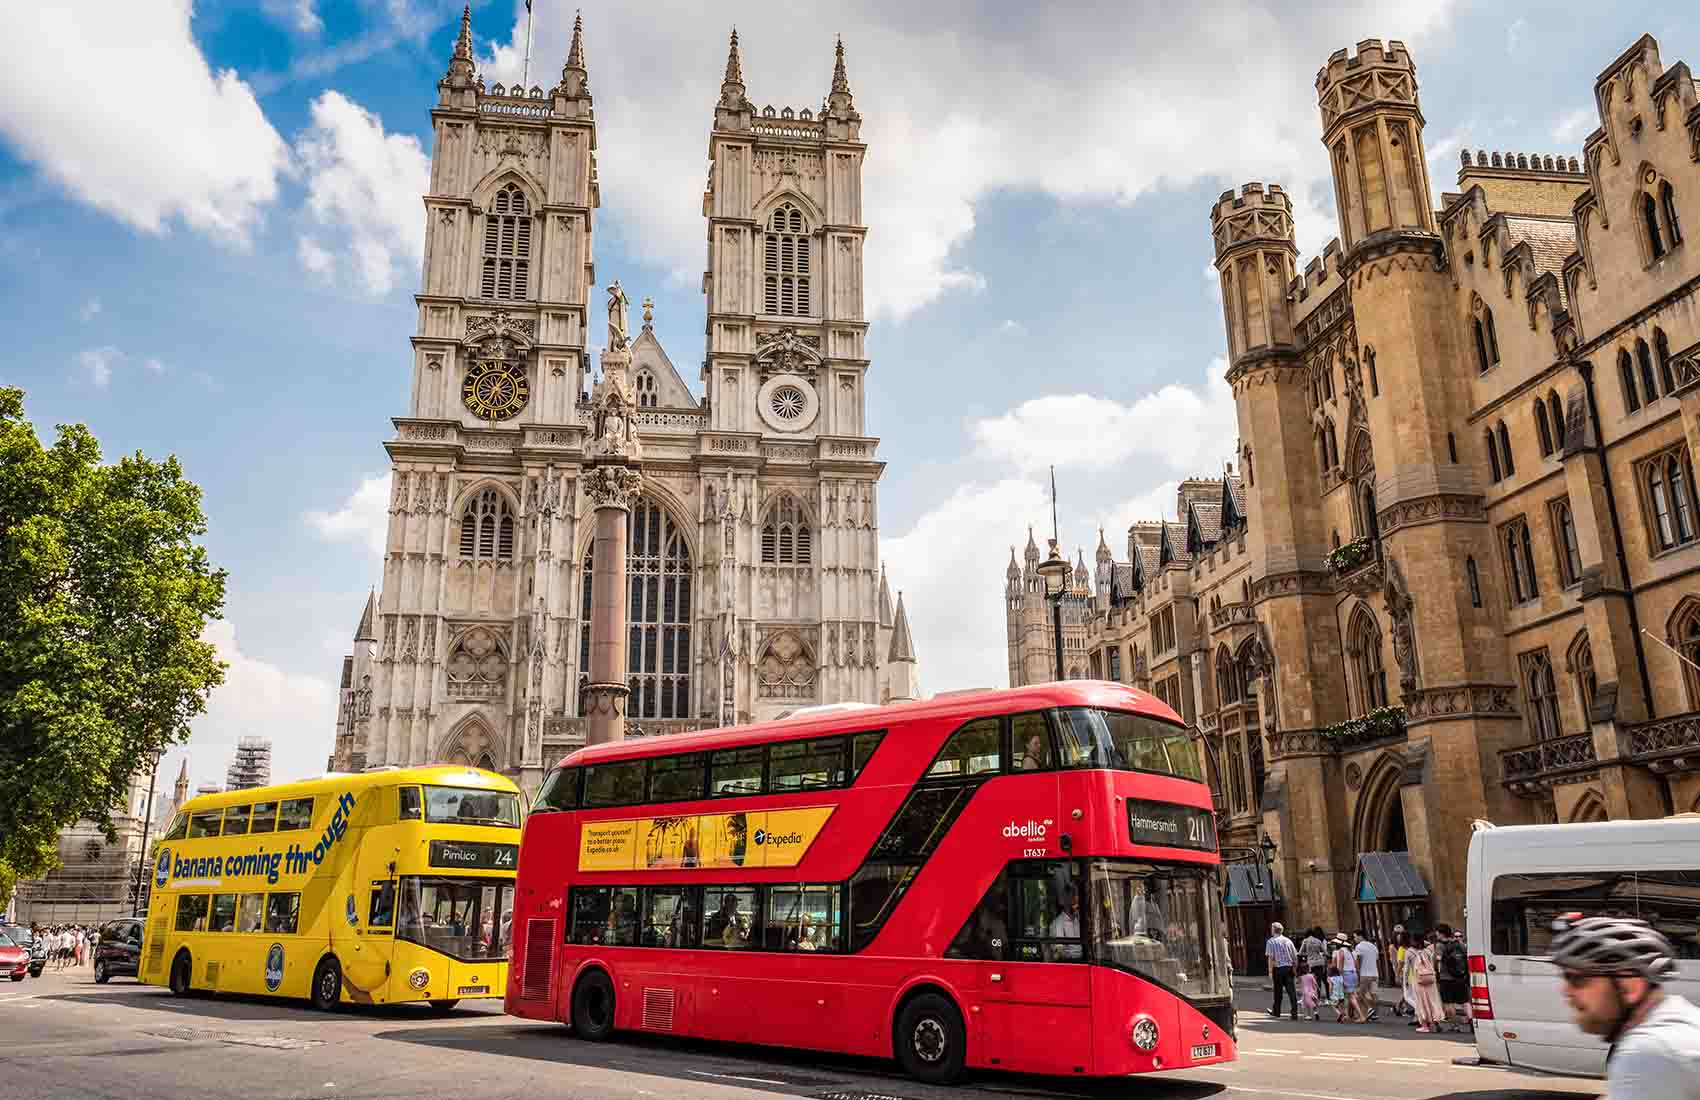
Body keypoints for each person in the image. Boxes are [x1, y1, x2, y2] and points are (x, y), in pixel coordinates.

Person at [1550, 912, 1700, 1100]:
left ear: (1630, 987)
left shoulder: (1646, 1053)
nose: (1565, 990)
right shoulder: (1681, 1017)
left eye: (1578, 979)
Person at [1435, 923, 1471, 1033]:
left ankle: (1455, 1025)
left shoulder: (1440, 945)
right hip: (1460, 977)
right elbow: (1466, 957)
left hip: (1446, 978)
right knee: (1465, 1001)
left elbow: (1438, 960)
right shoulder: (1458, 944)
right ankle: (1471, 1020)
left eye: (1437, 932)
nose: (1436, 935)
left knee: (1448, 1003)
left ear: (1441, 933)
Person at [1411, 931, 1445, 1032]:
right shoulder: (1430, 951)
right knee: (1433, 1001)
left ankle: (1425, 1025)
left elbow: (1417, 968)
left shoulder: (1419, 953)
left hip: (1420, 981)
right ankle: (1436, 1021)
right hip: (1431, 979)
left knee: (1422, 1002)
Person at [1265, 921, 1299, 1021]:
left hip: (1278, 968)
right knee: (1291, 992)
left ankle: (1276, 1011)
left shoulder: (1271, 941)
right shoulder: (1288, 941)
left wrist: (1270, 971)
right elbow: (1294, 956)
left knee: (1278, 991)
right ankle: (1294, 1013)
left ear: (1273, 930)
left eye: (1271, 928)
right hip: (1288, 968)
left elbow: (1271, 958)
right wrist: (1294, 968)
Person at [1354, 929, 1382, 1022]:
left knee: (1360, 995)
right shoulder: (1373, 946)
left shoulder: (1359, 947)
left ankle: (1367, 1012)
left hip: (1364, 974)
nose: (1355, 939)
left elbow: (1358, 961)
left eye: (1355, 937)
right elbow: (1377, 960)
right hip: (1375, 974)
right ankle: (1374, 1014)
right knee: (1373, 994)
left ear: (1360, 936)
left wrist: (1357, 973)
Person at [1331, 934, 1361, 1022]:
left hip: (1346, 974)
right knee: (1350, 995)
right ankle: (1350, 1015)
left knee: (1349, 996)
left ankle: (1360, 1015)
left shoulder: (1341, 951)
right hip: (1353, 973)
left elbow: (1340, 967)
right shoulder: (1352, 951)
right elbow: (1356, 965)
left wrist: (1339, 978)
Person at [1048, 886, 1083, 960]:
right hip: (1069, 963)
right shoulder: (1057, 924)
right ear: (1064, 901)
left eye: (1076, 898)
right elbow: (1058, 953)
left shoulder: (1079, 920)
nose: (1075, 901)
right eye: (1072, 897)